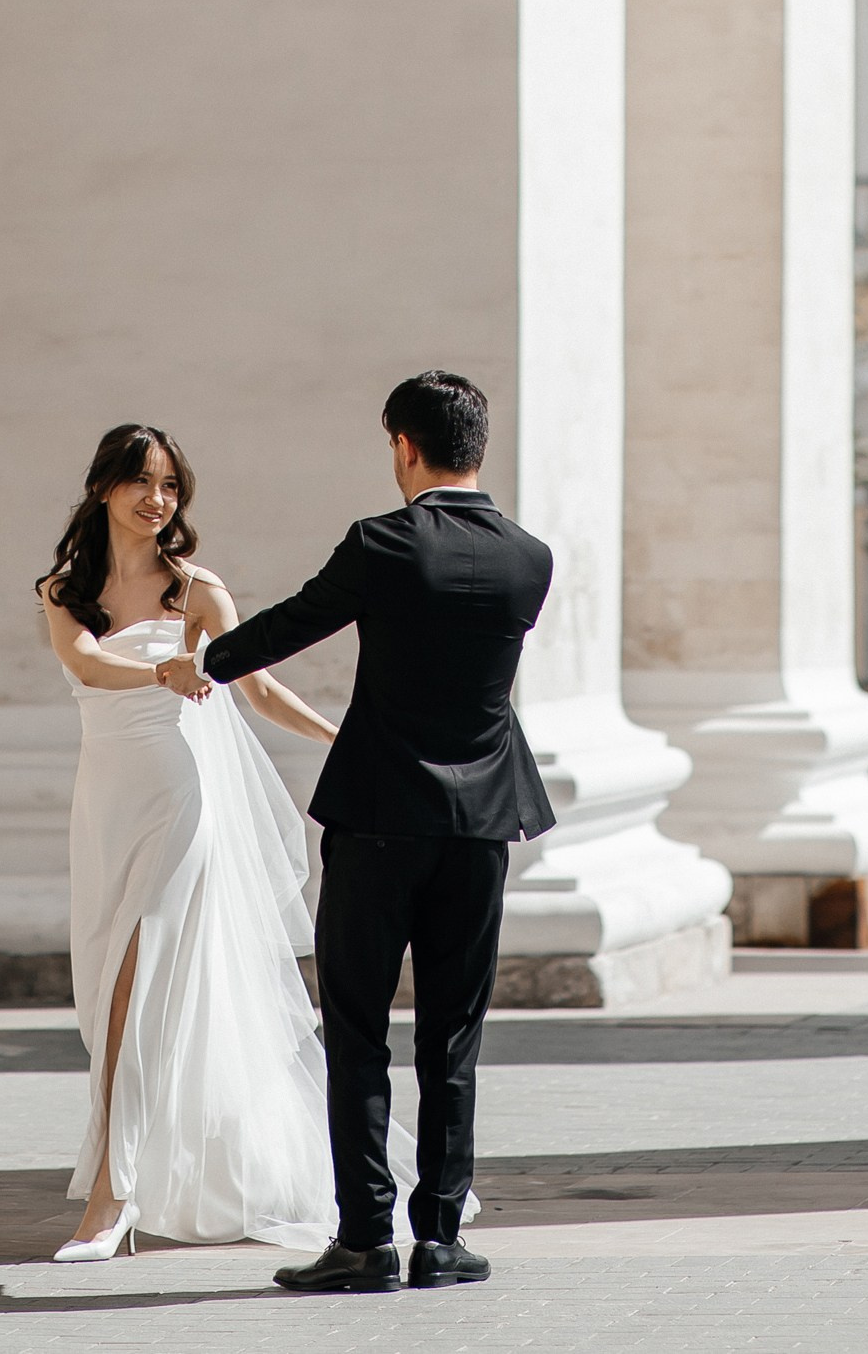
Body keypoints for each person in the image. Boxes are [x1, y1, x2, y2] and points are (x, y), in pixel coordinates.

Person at [160, 371, 555, 1294]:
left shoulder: (383, 542)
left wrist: (204, 664)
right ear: (479, 448)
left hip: (381, 816)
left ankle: (366, 1236)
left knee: (357, 1030)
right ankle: (443, 1238)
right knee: (453, 1035)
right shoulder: (529, 557)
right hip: (482, 821)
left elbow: (297, 622)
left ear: (402, 446)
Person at [38, 422, 349, 1261]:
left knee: (128, 996)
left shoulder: (198, 593)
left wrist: (341, 737)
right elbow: (89, 665)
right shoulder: (64, 590)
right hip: (104, 810)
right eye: (140, 481)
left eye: (171, 485)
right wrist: (164, 671)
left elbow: (259, 689)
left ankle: (108, 1202)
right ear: (103, 486)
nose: (156, 499)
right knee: (107, 994)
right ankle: (173, 1168)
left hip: (181, 801)